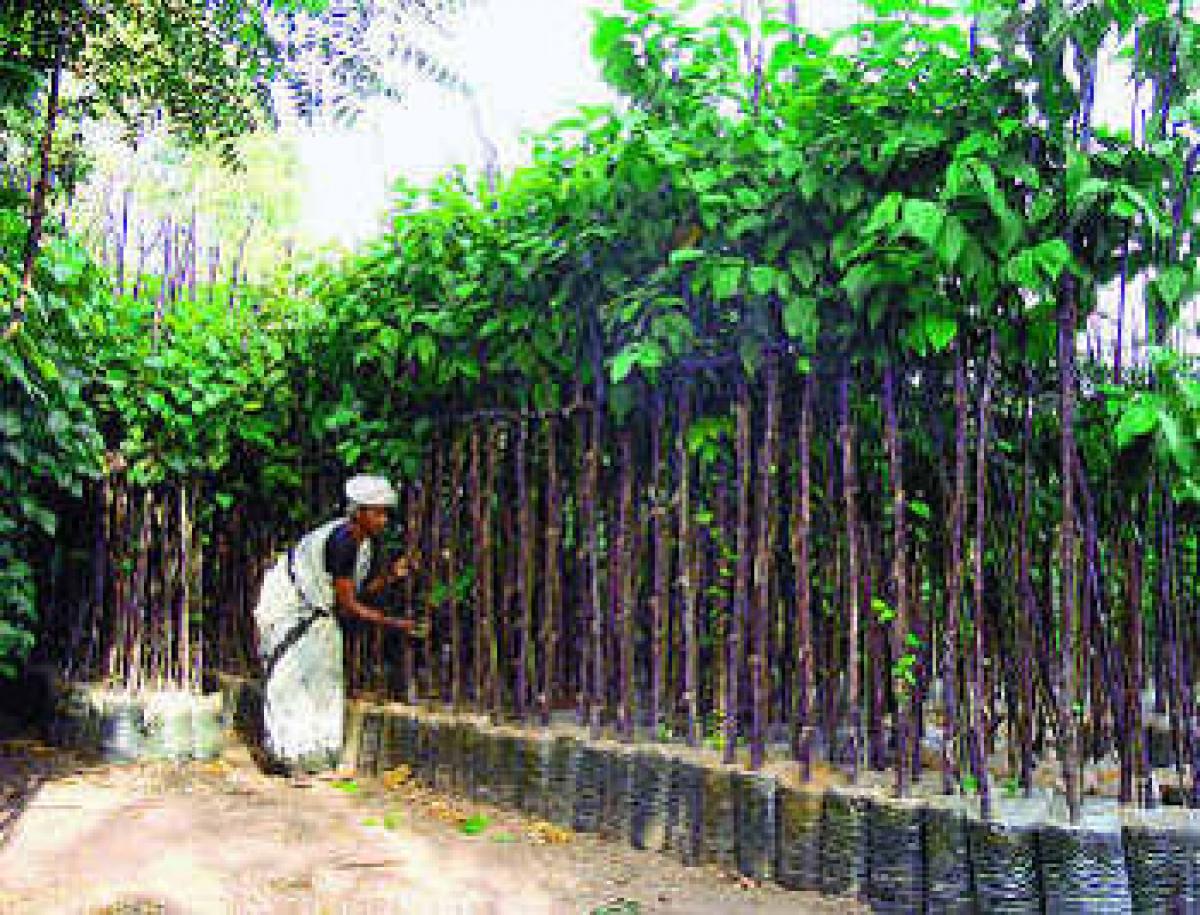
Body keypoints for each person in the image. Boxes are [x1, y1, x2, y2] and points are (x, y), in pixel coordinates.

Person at [252, 474, 420, 776]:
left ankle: (317, 756)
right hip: (292, 611)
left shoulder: (361, 543)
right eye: (377, 512)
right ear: (359, 512)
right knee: (290, 682)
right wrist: (395, 624)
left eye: (385, 512)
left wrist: (392, 575)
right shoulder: (342, 541)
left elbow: (354, 591)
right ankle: (289, 758)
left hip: (319, 614)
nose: (383, 519)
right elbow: (349, 605)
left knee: (324, 680)